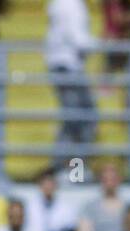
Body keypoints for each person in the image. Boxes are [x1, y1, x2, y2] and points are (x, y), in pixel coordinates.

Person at [46, 0, 98, 153]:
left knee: (77, 117)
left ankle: (71, 166)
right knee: (79, 117)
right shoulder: (70, 4)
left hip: (64, 64)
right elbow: (79, 39)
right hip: (68, 65)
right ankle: (68, 165)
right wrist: (104, 44)